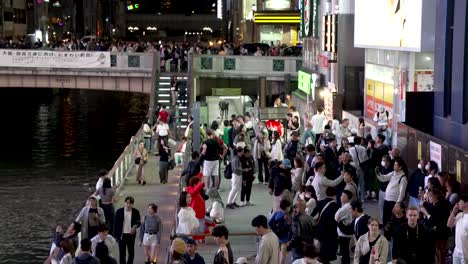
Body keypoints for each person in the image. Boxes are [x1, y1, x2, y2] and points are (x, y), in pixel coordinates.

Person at [420, 188, 451, 264]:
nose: (429, 198)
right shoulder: (433, 204)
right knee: (437, 250)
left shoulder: (440, 206)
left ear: (436, 196)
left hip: (441, 231)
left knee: (440, 250)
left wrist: (426, 213)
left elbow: (433, 220)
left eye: (430, 196)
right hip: (436, 231)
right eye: (428, 196)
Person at [375, 157, 408, 228]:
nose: (394, 166)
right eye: (394, 165)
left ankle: (390, 235)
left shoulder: (403, 178)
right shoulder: (393, 173)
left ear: (400, 167)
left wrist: (397, 204)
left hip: (394, 202)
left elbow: (402, 193)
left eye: (396, 165)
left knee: (391, 220)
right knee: (385, 218)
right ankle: (386, 233)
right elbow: (383, 178)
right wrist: (378, 173)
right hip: (387, 199)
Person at [314, 187, 339, 264]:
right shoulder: (335, 206)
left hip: (319, 230)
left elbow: (313, 215)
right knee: (327, 252)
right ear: (335, 195)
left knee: (321, 250)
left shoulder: (320, 202)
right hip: (330, 233)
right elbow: (336, 221)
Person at [114, 196, 141, 264]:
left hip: (131, 235)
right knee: (122, 254)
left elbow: (138, 222)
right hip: (121, 235)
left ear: (132, 204)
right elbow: (115, 224)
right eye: (127, 203)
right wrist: (115, 236)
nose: (128, 205)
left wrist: (135, 226)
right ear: (124, 203)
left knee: (131, 253)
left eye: (130, 203)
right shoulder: (119, 211)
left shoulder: (135, 211)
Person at [268, 199, 292, 264]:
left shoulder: (276, 213)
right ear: (287, 207)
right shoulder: (288, 216)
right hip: (284, 238)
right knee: (283, 254)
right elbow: (290, 227)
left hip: (276, 236)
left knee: (275, 252)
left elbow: (270, 223)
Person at [447, 194, 468, 264]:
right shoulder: (459, 215)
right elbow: (449, 224)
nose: (458, 203)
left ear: (466, 203)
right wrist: (453, 212)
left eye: (460, 201)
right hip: (456, 252)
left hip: (465, 254)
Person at [335, 190, 354, 264]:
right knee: (345, 251)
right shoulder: (348, 206)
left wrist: (338, 216)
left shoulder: (345, 208)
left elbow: (336, 217)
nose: (341, 197)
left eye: (343, 196)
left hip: (343, 233)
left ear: (347, 198)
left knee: (344, 252)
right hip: (346, 232)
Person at [186, 177, 207, 242]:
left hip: (199, 213)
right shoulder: (190, 190)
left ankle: (200, 238)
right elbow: (194, 191)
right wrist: (200, 184)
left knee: (200, 225)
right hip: (196, 213)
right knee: (197, 226)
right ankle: (197, 239)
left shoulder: (194, 190)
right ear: (195, 184)